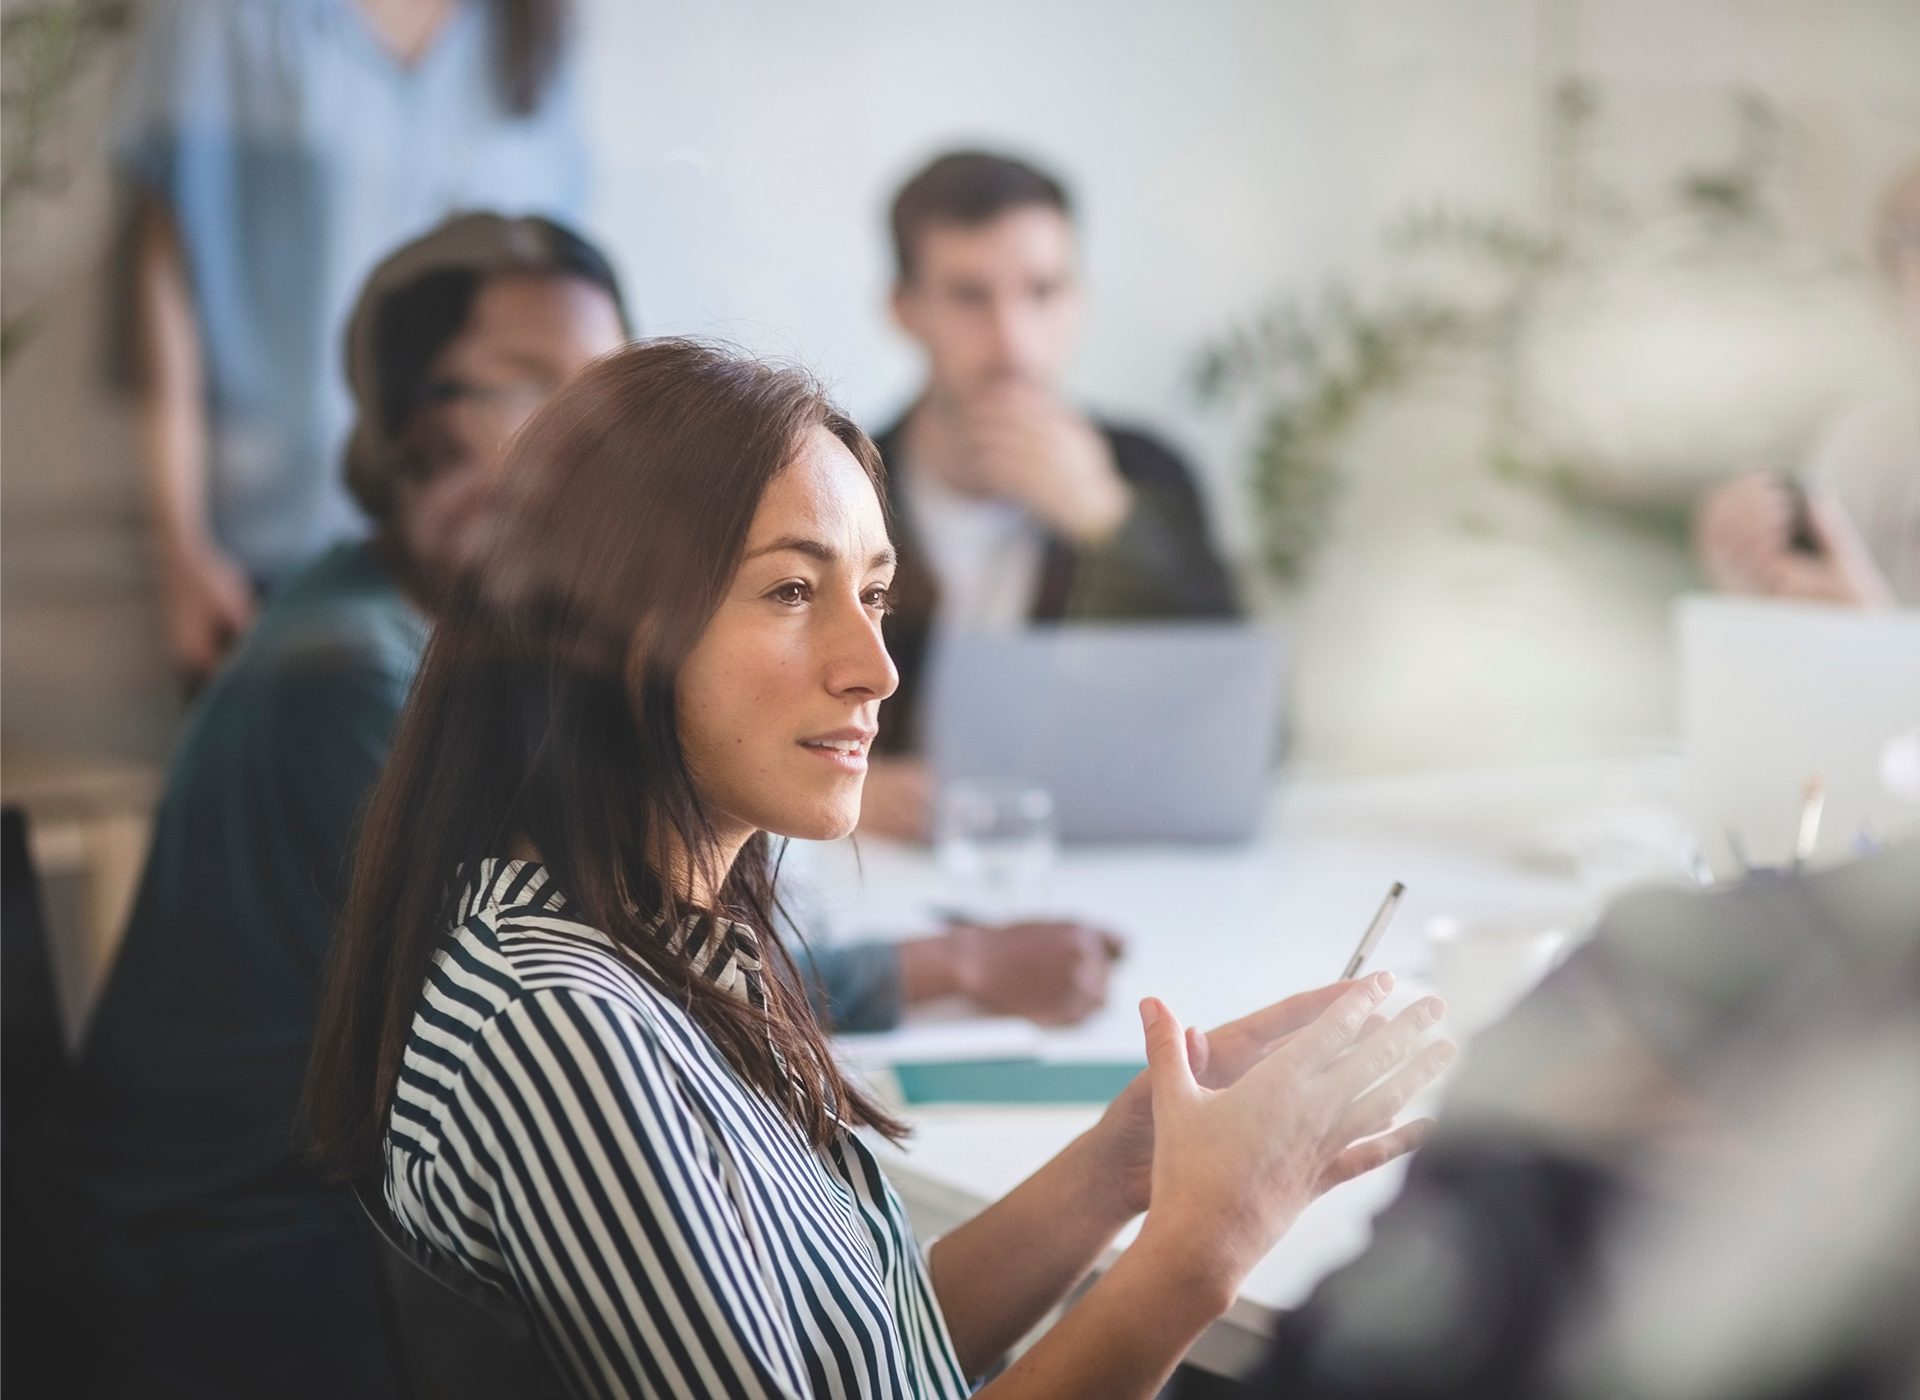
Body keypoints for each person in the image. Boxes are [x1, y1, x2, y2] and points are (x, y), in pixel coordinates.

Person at [302, 339, 1453, 1399]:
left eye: (877, 594)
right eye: (794, 591)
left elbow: (863, 1352)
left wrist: (1123, 1158)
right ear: (610, 633)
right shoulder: (565, 1025)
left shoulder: (659, 940)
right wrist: (1200, 1253)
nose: (877, 668)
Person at [117, 0, 589, 684]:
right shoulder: (223, 21)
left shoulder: (531, 35)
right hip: (271, 557)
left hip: (481, 578)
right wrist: (179, 549)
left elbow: (561, 318)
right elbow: (166, 283)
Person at [862, 150, 1241, 837]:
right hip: (885, 877)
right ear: (905, 309)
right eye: (969, 297)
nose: (1012, 342)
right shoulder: (845, 484)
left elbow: (1235, 715)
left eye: (1043, 292)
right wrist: (844, 788)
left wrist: (1110, 523)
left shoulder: (1145, 472)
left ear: (1079, 299)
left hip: (1112, 869)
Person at [1694, 161, 1920, 608]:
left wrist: (1865, 629)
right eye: (1914, 239)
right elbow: (1803, 625)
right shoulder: (1868, 448)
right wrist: (1757, 570)